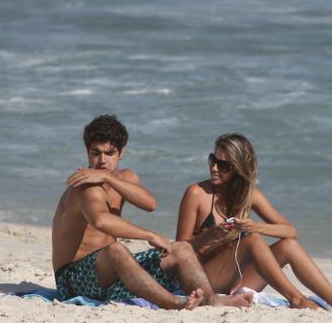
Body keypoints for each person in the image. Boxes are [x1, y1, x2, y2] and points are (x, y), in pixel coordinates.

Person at [52, 115, 255, 310]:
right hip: (73, 278)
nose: (102, 161)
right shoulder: (87, 187)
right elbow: (100, 220)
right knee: (116, 250)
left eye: (110, 153)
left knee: (182, 248)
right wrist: (151, 235)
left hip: (110, 274)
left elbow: (150, 204)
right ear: (87, 153)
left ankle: (211, 299)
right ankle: (174, 303)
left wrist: (110, 179)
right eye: (96, 153)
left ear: (122, 152)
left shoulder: (122, 178)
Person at [176, 133, 332, 315]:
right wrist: (208, 236)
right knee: (253, 241)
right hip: (201, 280)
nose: (214, 168)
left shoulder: (249, 195)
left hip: (235, 279)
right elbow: (180, 250)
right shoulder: (196, 193)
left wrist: (255, 226)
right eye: (212, 160)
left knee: (288, 245)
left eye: (223, 165)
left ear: (238, 168)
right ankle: (296, 299)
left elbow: (289, 231)